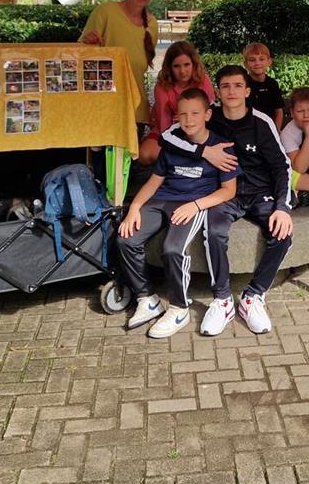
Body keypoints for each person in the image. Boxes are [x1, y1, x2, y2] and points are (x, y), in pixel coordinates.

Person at [160, 65, 293, 335]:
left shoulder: (261, 122)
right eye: (225, 86)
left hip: (259, 193)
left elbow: (282, 167)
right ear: (217, 92)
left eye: (236, 86)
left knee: (283, 234)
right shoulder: (211, 117)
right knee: (215, 231)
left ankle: (253, 296)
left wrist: (282, 207)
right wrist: (203, 152)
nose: (231, 91)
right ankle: (222, 300)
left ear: (247, 90)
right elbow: (167, 137)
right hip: (223, 191)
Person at [116, 89, 239, 339]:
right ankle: (146, 298)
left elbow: (228, 191)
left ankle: (179, 307)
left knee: (173, 249)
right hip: (163, 200)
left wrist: (196, 206)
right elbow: (154, 181)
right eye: (182, 114)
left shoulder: (221, 146)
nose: (189, 119)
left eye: (195, 113)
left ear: (207, 114)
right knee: (125, 239)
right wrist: (135, 208)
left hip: (192, 204)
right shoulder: (174, 144)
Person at [79, 0, 160, 125]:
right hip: (103, 103)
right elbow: (80, 54)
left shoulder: (152, 24)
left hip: (135, 107)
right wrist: (89, 43)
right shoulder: (105, 11)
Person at [139, 41, 216, 166]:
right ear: (169, 67)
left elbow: (210, 113)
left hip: (198, 129)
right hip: (168, 129)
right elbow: (164, 122)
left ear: (194, 64)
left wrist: (185, 119)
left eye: (187, 65)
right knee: (145, 155)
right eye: (176, 66)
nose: (182, 71)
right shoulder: (162, 85)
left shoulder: (203, 80)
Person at [243, 42, 284, 129]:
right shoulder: (243, 84)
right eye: (252, 60)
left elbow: (278, 111)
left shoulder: (273, 84)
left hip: (269, 129)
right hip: (248, 128)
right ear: (246, 64)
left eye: (261, 59)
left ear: (269, 61)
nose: (257, 63)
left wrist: (276, 131)